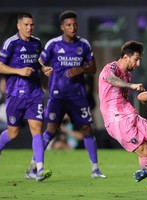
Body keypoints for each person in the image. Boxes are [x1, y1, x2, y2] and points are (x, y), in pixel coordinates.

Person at [25, 10, 105, 179]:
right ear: (62, 27)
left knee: (86, 128)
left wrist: (81, 69)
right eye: (68, 25)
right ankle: (32, 166)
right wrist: (43, 82)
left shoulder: (83, 45)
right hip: (57, 96)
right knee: (51, 130)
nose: (73, 27)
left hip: (78, 96)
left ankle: (95, 169)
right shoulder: (53, 44)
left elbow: (93, 69)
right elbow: (39, 64)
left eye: (75, 24)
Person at [98, 40, 147, 191]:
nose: (138, 64)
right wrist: (131, 86)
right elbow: (110, 79)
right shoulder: (111, 68)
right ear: (125, 57)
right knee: (144, 149)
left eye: (139, 60)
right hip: (116, 120)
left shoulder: (128, 75)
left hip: (130, 115)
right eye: (136, 59)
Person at [0, 12, 52, 181]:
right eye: (26, 25)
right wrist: (19, 71)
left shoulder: (37, 43)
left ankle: (39, 169)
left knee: (37, 130)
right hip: (15, 94)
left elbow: (37, 63)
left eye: (31, 25)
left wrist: (44, 71)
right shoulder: (11, 43)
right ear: (18, 26)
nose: (29, 28)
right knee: (13, 132)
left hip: (34, 93)